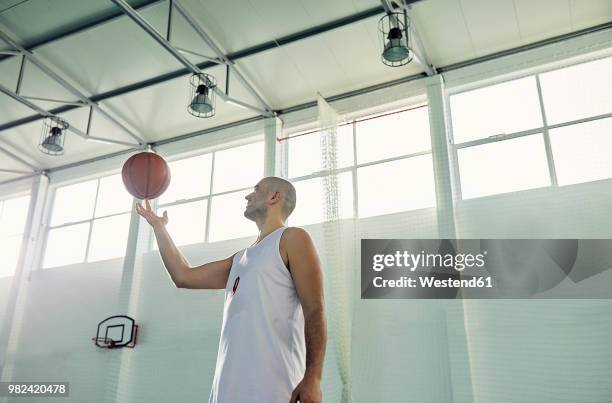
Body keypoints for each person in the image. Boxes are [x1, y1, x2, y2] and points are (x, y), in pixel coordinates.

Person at [136, 176, 326, 403]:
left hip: (275, 388)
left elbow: (315, 310)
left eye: (256, 189)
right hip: (226, 391)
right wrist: (158, 227)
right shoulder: (240, 259)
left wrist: (313, 379)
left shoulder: (292, 238)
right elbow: (183, 275)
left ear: (275, 197)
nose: (248, 195)